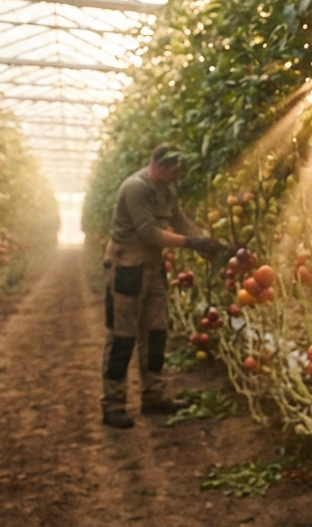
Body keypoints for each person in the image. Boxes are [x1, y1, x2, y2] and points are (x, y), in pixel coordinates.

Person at [101, 144, 225, 428]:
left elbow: (179, 221)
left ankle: (153, 396)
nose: (179, 176)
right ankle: (113, 404)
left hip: (153, 268)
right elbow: (148, 233)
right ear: (162, 166)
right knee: (122, 337)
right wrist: (192, 243)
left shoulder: (167, 189)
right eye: (176, 170)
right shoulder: (135, 188)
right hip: (127, 267)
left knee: (156, 333)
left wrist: (206, 239)